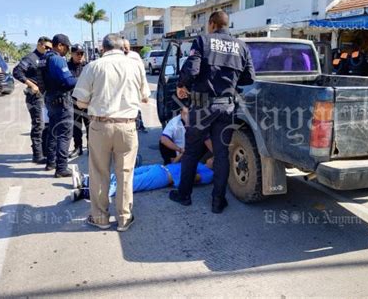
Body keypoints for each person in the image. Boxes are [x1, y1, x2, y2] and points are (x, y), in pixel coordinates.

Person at [169, 11, 256, 214]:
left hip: (202, 106)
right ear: (227, 24)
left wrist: (182, 85)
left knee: (191, 151)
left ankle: (184, 195)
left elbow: (192, 69)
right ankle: (218, 201)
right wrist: (231, 83)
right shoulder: (241, 46)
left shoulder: (203, 40)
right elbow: (249, 77)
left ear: (212, 24)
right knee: (221, 154)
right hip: (227, 106)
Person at [73, 34, 150, 232]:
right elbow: (145, 97)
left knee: (99, 172)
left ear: (103, 47)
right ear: (122, 47)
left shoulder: (93, 66)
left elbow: (80, 101)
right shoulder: (135, 65)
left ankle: (100, 218)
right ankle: (124, 218)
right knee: (125, 173)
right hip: (127, 125)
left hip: (100, 126)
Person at [70, 160, 214, 202]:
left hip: (164, 177)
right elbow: (175, 162)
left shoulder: (209, 174)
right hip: (160, 168)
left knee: (130, 184)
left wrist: (190, 169)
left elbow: (191, 178)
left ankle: (86, 192)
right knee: (124, 175)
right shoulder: (201, 163)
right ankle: (86, 180)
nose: (211, 157)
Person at [12, 36, 52, 163]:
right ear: (39, 45)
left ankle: (45, 152)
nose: (47, 50)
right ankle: (37, 155)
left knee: (46, 125)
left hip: (45, 96)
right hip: (34, 97)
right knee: (38, 125)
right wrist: (31, 84)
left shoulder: (46, 58)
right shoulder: (30, 58)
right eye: (46, 47)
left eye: (50, 48)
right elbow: (17, 72)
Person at [43, 34, 77, 177]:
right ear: (60, 45)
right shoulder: (57, 59)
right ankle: (61, 168)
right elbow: (68, 82)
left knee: (52, 131)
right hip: (61, 101)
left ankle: (51, 162)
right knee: (64, 134)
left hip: (50, 99)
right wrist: (81, 79)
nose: (68, 51)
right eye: (67, 47)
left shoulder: (44, 58)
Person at [67, 44, 89, 158]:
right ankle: (78, 147)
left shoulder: (88, 66)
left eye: (82, 53)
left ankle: (91, 147)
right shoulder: (66, 66)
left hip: (87, 101)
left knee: (90, 126)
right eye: (78, 53)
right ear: (72, 54)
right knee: (76, 126)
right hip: (73, 101)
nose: (80, 56)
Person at [123, 39, 150, 133]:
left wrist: (145, 93)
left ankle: (140, 125)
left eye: (126, 47)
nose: (125, 49)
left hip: (134, 86)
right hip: (122, 89)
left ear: (129, 47)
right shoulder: (117, 57)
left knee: (136, 107)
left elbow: (142, 73)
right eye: (123, 47)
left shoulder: (135, 56)